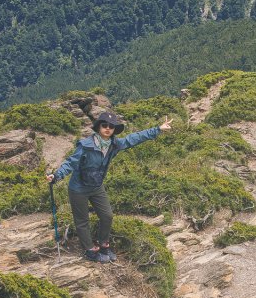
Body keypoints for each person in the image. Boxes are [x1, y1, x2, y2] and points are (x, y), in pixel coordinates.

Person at [48, 110, 172, 262]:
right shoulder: (86, 145)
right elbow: (70, 162)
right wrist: (56, 175)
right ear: (99, 127)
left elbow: (134, 138)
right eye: (104, 125)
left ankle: (103, 244)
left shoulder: (114, 144)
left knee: (107, 216)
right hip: (78, 188)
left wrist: (157, 129)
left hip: (96, 186)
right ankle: (90, 250)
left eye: (111, 126)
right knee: (82, 221)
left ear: (114, 129)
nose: (108, 128)